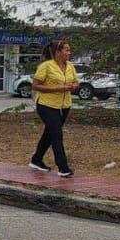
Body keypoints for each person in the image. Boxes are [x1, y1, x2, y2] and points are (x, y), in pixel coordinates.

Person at [29, 38, 79, 177]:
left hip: (64, 105)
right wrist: (58, 88)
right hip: (47, 105)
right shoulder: (46, 66)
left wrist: (75, 85)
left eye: (69, 50)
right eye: (66, 50)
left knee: (49, 134)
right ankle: (63, 167)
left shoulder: (70, 66)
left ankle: (36, 159)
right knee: (57, 135)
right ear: (58, 52)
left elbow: (75, 80)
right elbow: (35, 85)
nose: (69, 53)